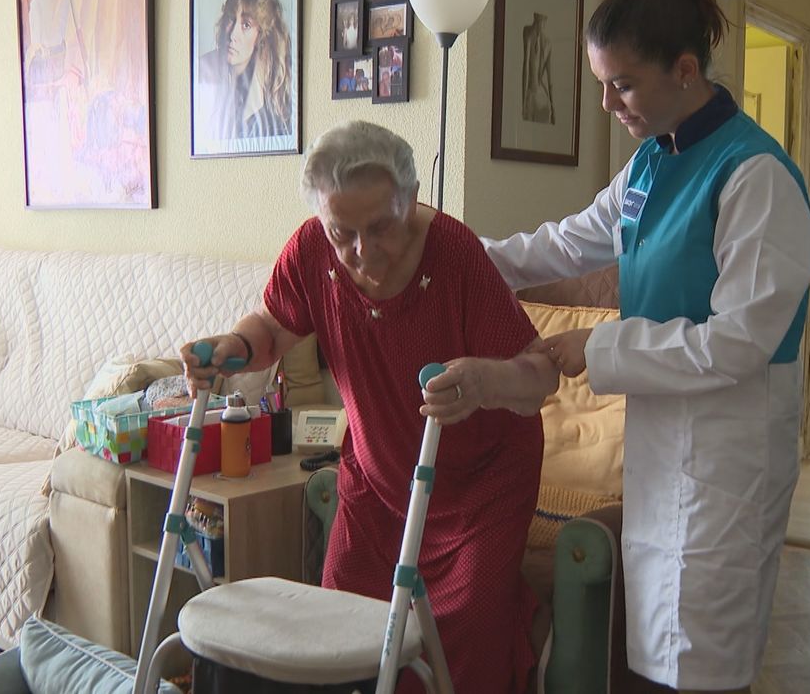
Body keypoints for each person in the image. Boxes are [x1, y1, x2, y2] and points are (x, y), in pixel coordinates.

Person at [481, 0, 810, 692]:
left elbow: (739, 341)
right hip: (663, 444)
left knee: (704, 662)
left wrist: (597, 347)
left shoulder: (755, 176)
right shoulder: (647, 166)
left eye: (622, 84)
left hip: (728, 449)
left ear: (685, 69)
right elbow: (564, 244)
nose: (607, 102)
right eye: (602, 84)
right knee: (656, 647)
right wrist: (455, 252)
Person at [181, 121, 559, 693]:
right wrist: (234, 348)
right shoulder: (310, 249)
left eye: (380, 228)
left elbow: (540, 378)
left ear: (409, 205)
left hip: (481, 488)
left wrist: (485, 380)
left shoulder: (455, 254)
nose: (360, 252)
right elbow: (271, 328)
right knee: (344, 632)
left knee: (463, 643)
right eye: (342, 233)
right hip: (378, 479)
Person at [196, 0, 294, 143]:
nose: (233, 34)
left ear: (261, 34)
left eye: (246, 25)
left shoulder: (273, 99)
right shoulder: (203, 72)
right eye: (231, 19)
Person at [522, 12, 555, 124]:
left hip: (534, 93)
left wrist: (524, 102)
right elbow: (550, 80)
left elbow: (526, 69)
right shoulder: (546, 42)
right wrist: (552, 105)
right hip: (540, 94)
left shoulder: (529, 34)